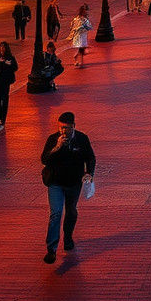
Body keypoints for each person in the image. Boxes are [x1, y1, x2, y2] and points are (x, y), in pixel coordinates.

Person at [40, 111, 95, 263]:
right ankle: (51, 249)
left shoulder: (81, 139)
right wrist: (57, 147)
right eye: (61, 128)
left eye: (68, 128)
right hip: (55, 183)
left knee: (71, 211)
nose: (64, 131)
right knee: (56, 213)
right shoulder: (53, 139)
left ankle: (68, 236)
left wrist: (89, 173)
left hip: (74, 183)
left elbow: (90, 157)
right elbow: (44, 159)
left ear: (74, 127)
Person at [0, 41, 18, 130]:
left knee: (4, 99)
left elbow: (15, 67)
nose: (2, 49)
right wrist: (4, 64)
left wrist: (6, 65)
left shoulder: (10, 57)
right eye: (1, 47)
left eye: (4, 48)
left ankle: (3, 119)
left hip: (5, 81)